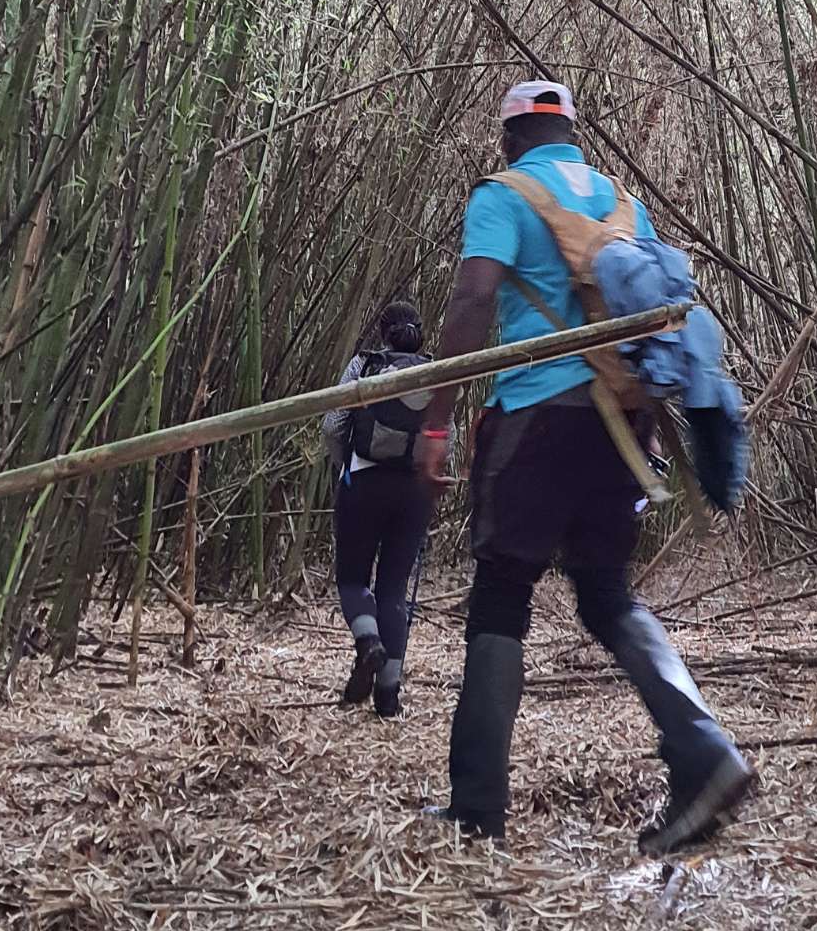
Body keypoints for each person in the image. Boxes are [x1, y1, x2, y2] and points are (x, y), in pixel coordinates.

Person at [416, 80, 754, 853]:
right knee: (606, 595)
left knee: (502, 592)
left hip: (537, 418)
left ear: (509, 139)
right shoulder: (619, 203)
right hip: (623, 430)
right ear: (571, 130)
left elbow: (472, 301)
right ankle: (704, 753)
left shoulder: (504, 195)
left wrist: (434, 419)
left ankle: (476, 808)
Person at [323, 300, 434, 718]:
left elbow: (333, 424)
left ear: (383, 332)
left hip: (362, 483)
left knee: (353, 580)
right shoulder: (434, 370)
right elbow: (449, 435)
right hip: (413, 491)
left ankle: (368, 643)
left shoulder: (363, 366)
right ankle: (389, 695)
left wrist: (344, 465)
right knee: (393, 590)